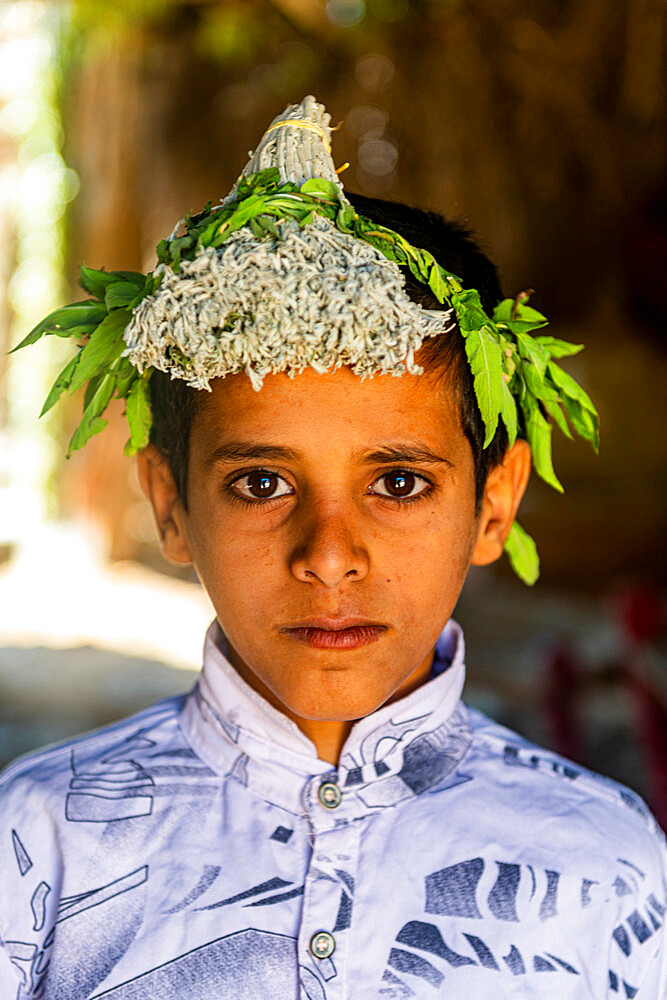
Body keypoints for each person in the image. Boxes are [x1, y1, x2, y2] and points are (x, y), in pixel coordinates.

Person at [0, 97, 664, 1000]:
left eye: (397, 483)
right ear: (168, 503)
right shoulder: (36, 845)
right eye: (261, 483)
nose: (329, 554)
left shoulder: (605, 860)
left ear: (493, 505)